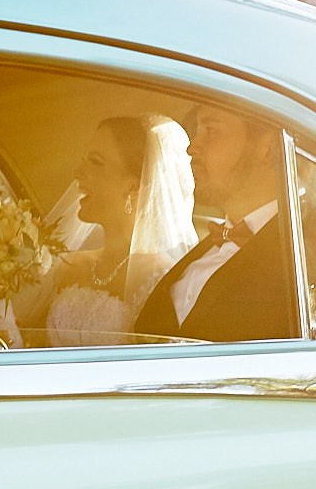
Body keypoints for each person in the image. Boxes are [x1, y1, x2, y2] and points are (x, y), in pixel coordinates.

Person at [16, 114, 196, 347]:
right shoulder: (66, 267)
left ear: (133, 186)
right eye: (84, 159)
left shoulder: (161, 280)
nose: (77, 172)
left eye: (95, 161)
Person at [130, 104, 299, 343]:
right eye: (197, 130)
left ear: (269, 148)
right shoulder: (206, 247)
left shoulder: (311, 250)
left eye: (211, 130)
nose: (192, 147)